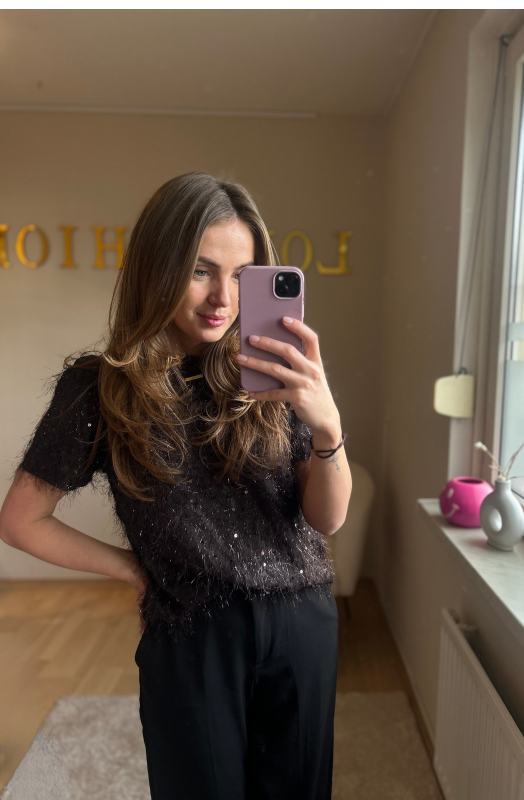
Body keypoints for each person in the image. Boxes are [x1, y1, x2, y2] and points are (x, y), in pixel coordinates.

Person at [0, 172, 353, 800]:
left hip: (303, 624)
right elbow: (21, 519)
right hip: (192, 632)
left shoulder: (273, 370)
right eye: (200, 271)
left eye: (241, 275)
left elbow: (327, 519)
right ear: (156, 267)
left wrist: (328, 426)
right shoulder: (98, 389)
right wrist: (132, 569)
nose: (223, 297)